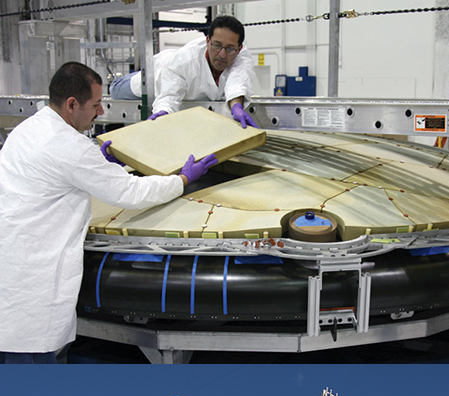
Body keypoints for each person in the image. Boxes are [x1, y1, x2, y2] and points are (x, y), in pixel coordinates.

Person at [0, 61, 216, 362]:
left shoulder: (27, 130)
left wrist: (93, 165)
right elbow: (131, 192)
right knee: (33, 380)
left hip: (11, 272)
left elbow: (54, 170)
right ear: (72, 104)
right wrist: (182, 179)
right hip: (35, 287)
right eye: (97, 104)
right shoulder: (70, 148)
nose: (100, 112)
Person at [110, 17, 257, 129]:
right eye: (217, 45)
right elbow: (170, 94)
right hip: (157, 75)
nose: (223, 54)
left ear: (239, 48)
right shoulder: (185, 60)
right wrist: (163, 112)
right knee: (115, 90)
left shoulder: (241, 55)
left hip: (181, 79)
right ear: (208, 40)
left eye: (230, 49)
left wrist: (237, 106)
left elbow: (239, 79)